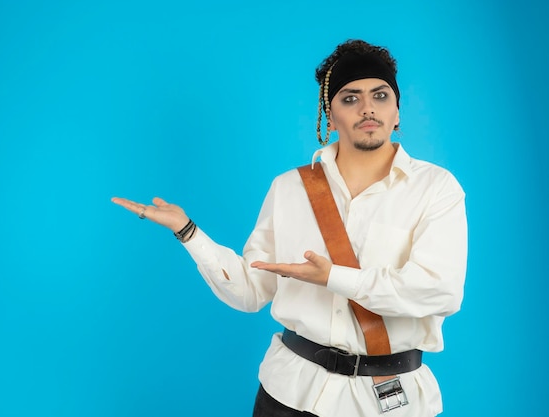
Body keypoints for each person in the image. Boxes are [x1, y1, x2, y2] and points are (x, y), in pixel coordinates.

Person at [112, 39, 467, 417]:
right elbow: (250, 291)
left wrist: (334, 277)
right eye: (350, 98)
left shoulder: (437, 188)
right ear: (330, 118)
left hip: (386, 403)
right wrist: (188, 231)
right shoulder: (290, 189)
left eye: (380, 95)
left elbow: (438, 291)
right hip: (288, 395)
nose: (367, 108)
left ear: (397, 112)